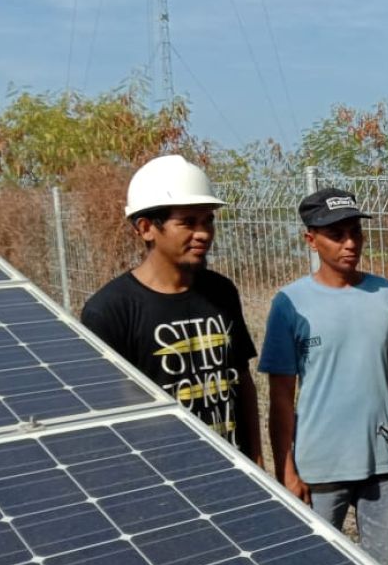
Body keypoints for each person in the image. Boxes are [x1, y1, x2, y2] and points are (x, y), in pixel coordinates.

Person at [258, 188, 388, 565]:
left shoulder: (385, 294)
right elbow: (281, 396)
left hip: (380, 461)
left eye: (355, 233)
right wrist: (288, 471)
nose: (350, 244)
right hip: (319, 467)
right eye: (337, 235)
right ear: (311, 240)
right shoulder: (290, 304)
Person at [81, 154, 262, 464]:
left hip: (234, 473)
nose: (203, 233)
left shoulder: (221, 292)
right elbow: (106, 418)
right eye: (188, 223)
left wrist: (256, 457)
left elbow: (242, 379)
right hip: (163, 483)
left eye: (207, 221)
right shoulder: (109, 311)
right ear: (146, 228)